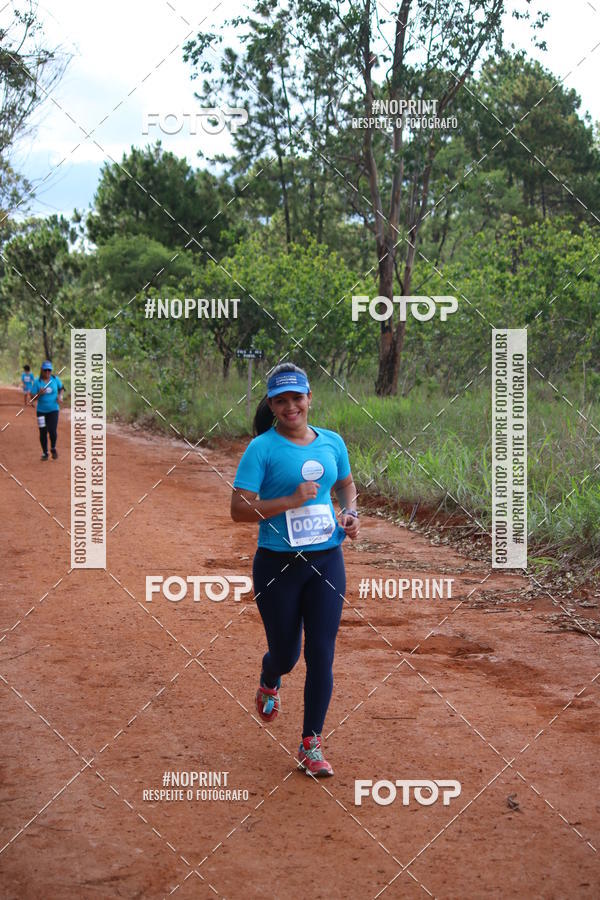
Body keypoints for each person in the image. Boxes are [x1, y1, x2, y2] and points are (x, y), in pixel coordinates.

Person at [230, 363, 359, 778]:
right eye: (281, 401)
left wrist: (350, 513)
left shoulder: (332, 442)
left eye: (297, 399)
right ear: (271, 404)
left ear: (309, 398)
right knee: (287, 654)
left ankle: (311, 743)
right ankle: (270, 677)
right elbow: (238, 510)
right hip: (277, 566)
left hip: (326, 560)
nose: (290, 407)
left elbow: (345, 485)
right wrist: (289, 500)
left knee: (321, 654)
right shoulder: (261, 449)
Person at [31, 361, 64, 460]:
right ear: (42, 370)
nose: (47, 372)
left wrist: (60, 396)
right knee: (43, 432)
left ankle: (53, 448)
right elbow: (32, 398)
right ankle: (45, 453)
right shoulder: (37, 382)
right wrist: (39, 393)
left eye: (49, 370)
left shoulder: (55, 379)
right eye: (45, 370)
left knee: (52, 430)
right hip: (41, 411)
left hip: (53, 410)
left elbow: (61, 388)